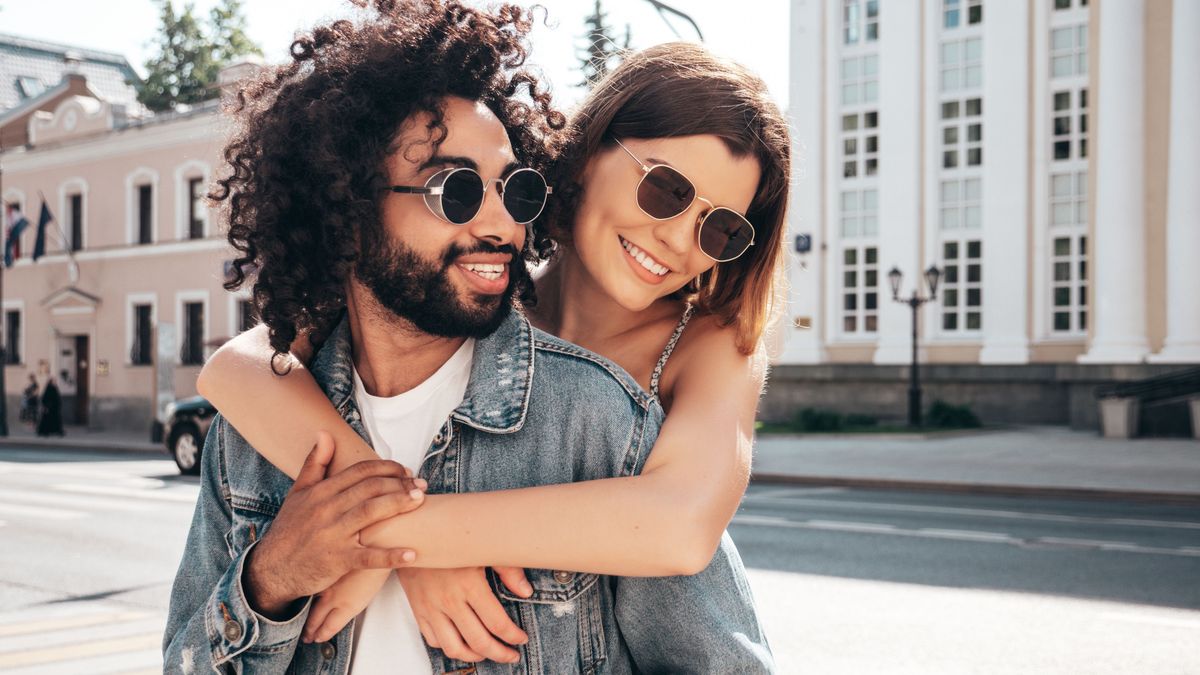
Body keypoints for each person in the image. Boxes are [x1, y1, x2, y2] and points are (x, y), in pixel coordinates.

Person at [165, 2, 778, 673]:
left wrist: (399, 541)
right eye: (665, 189)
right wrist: (304, 556)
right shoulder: (468, 286)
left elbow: (680, 526)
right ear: (581, 157)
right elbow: (240, 366)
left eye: (721, 230)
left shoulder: (670, 375)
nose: (678, 238)